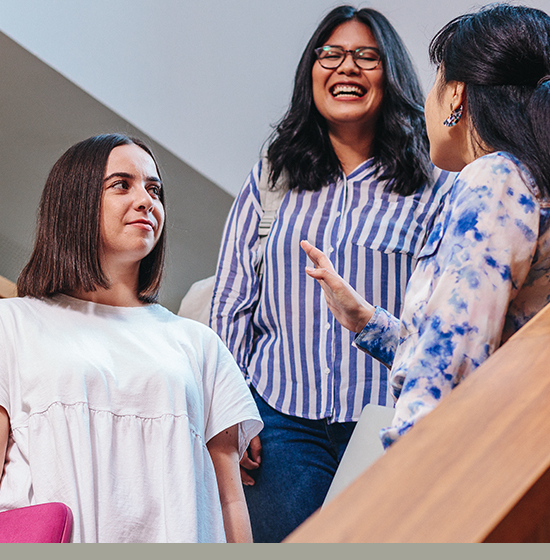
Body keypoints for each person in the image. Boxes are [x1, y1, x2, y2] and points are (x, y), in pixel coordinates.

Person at [303, 4, 550, 447]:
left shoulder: (495, 179)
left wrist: (407, 469)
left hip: (467, 465)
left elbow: (450, 365)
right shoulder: (537, 183)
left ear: (456, 95)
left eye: (435, 83)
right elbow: (478, 347)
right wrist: (366, 321)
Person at [0, 134, 262, 543]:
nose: (146, 201)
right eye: (122, 185)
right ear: (75, 203)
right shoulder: (7, 323)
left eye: (154, 189)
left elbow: (228, 500)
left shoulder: (199, 344)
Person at [210, 5, 455, 542]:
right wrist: (227, 415)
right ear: (312, 71)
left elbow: (441, 318)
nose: (348, 68)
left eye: (367, 57)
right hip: (279, 425)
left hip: (383, 423)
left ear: (391, 76)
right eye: (332, 55)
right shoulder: (272, 177)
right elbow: (231, 303)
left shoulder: (433, 186)